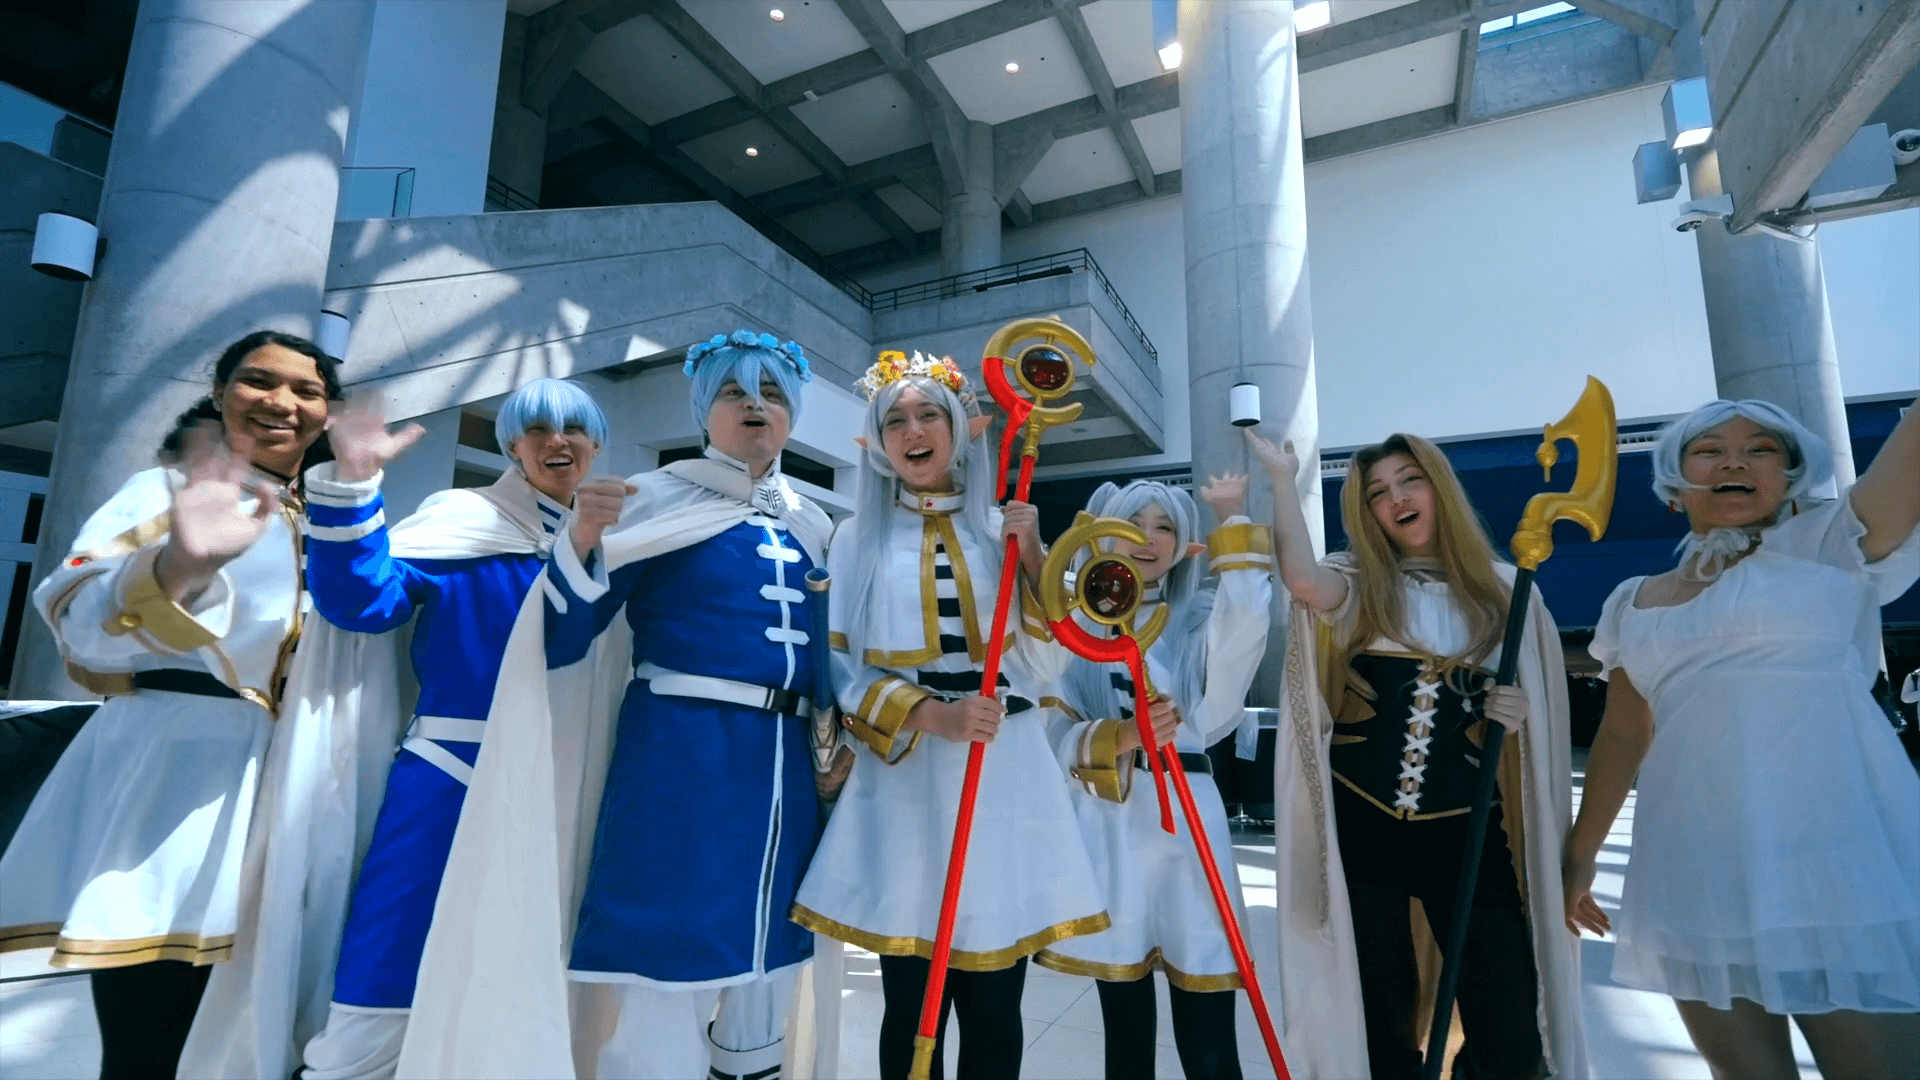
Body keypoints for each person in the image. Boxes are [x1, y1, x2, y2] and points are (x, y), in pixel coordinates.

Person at [396, 330, 834, 1080]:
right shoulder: (651, 500)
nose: (755, 406)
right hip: (679, 760)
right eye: (734, 392)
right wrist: (586, 536)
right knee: (667, 949)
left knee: (770, 954)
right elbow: (565, 641)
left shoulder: (813, 523)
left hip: (787, 771)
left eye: (773, 395)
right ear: (705, 412)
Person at [0, 331, 340, 1079]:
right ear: (219, 394)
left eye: (306, 391)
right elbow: (76, 615)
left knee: (259, 1017)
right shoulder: (166, 492)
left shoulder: (326, 518)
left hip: (293, 779)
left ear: (327, 413)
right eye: (257, 381)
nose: (281, 402)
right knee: (154, 1022)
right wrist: (178, 564)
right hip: (176, 772)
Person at [1564, 396, 1920, 1079]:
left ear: (1788, 478)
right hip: (1693, 869)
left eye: (1760, 448)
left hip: (1831, 863)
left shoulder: (1827, 546)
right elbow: (1622, 731)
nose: (1734, 459)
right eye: (1709, 449)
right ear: (1675, 487)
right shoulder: (1632, 598)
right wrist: (1582, 855)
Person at [790, 351, 1108, 1080]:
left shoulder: (1006, 529)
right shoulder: (854, 540)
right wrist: (929, 716)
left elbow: (1054, 663)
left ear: (961, 428)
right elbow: (839, 667)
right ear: (877, 445)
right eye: (894, 420)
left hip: (1006, 769)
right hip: (907, 782)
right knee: (911, 999)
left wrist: (1033, 562)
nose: (913, 430)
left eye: (928, 413)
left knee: (995, 1000)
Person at [292, 379, 610, 1080]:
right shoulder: (465, 520)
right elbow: (363, 603)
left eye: (574, 429)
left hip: (568, 772)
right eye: (538, 430)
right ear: (512, 447)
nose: (558, 442)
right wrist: (352, 483)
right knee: (397, 926)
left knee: (529, 938)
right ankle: (349, 1068)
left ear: (596, 445)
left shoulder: (617, 542)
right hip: (451, 764)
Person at [1257, 430, 1586, 1080]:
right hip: (1365, 826)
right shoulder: (1361, 585)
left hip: (1468, 831)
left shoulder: (1505, 592)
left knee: (1509, 1019)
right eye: (1378, 492)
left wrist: (1515, 715)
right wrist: (1282, 483)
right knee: (1382, 1014)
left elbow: (1535, 727)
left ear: (1439, 487)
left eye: (1410, 480)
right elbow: (1300, 579)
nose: (1397, 499)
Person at [1034, 476, 1274, 1080]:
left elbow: (1224, 692)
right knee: (1125, 1019)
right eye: (1133, 521)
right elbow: (1047, 730)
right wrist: (1121, 736)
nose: (1147, 538)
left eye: (1165, 526)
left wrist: (1231, 516)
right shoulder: (1070, 630)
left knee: (1209, 1008)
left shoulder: (1197, 617)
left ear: (1186, 544)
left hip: (1190, 815)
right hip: (1109, 816)